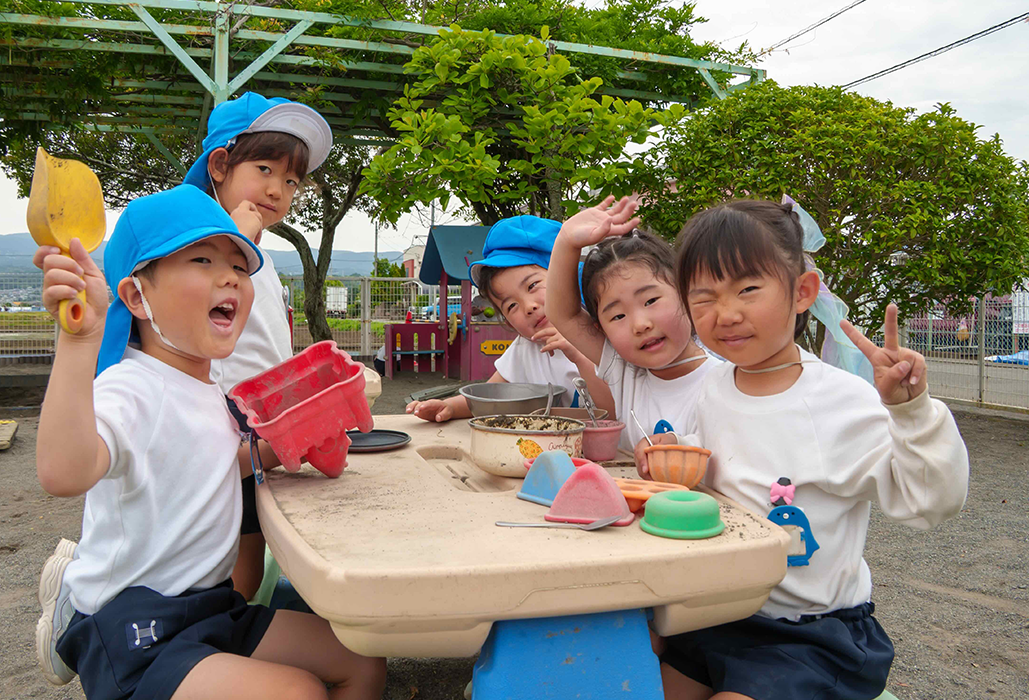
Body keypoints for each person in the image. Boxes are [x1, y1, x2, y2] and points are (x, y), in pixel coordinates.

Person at [32, 185, 386, 699]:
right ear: (137, 297)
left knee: (362, 659)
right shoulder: (131, 387)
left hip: (210, 607)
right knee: (296, 691)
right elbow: (63, 472)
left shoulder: (207, 385)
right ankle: (78, 606)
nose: (230, 277)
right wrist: (79, 342)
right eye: (202, 260)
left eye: (240, 267)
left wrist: (299, 438)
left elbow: (211, 462)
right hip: (138, 626)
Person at [644, 198, 970, 700]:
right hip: (725, 613)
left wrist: (912, 412)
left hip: (811, 636)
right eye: (704, 297)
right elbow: (724, 459)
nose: (726, 314)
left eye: (748, 289)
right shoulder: (714, 386)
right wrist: (678, 452)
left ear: (802, 292)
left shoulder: (840, 399)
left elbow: (930, 500)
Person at [183, 90, 333, 601]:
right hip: (216, 424)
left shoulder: (260, 258)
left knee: (253, 540)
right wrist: (235, 240)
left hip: (258, 418)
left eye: (291, 181)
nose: (277, 189)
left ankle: (238, 618)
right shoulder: (197, 245)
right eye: (265, 169)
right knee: (222, 558)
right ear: (220, 165)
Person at [546, 197, 720, 449]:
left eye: (651, 301)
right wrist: (566, 241)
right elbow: (565, 315)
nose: (640, 324)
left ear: (685, 292)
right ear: (601, 329)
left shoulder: (728, 382)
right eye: (618, 316)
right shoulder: (624, 370)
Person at [406, 215, 615, 423]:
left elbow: (616, 414)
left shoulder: (607, 333)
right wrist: (450, 406)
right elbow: (492, 395)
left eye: (532, 285)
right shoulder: (527, 347)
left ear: (568, 279)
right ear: (507, 321)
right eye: (511, 306)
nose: (528, 307)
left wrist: (579, 355)